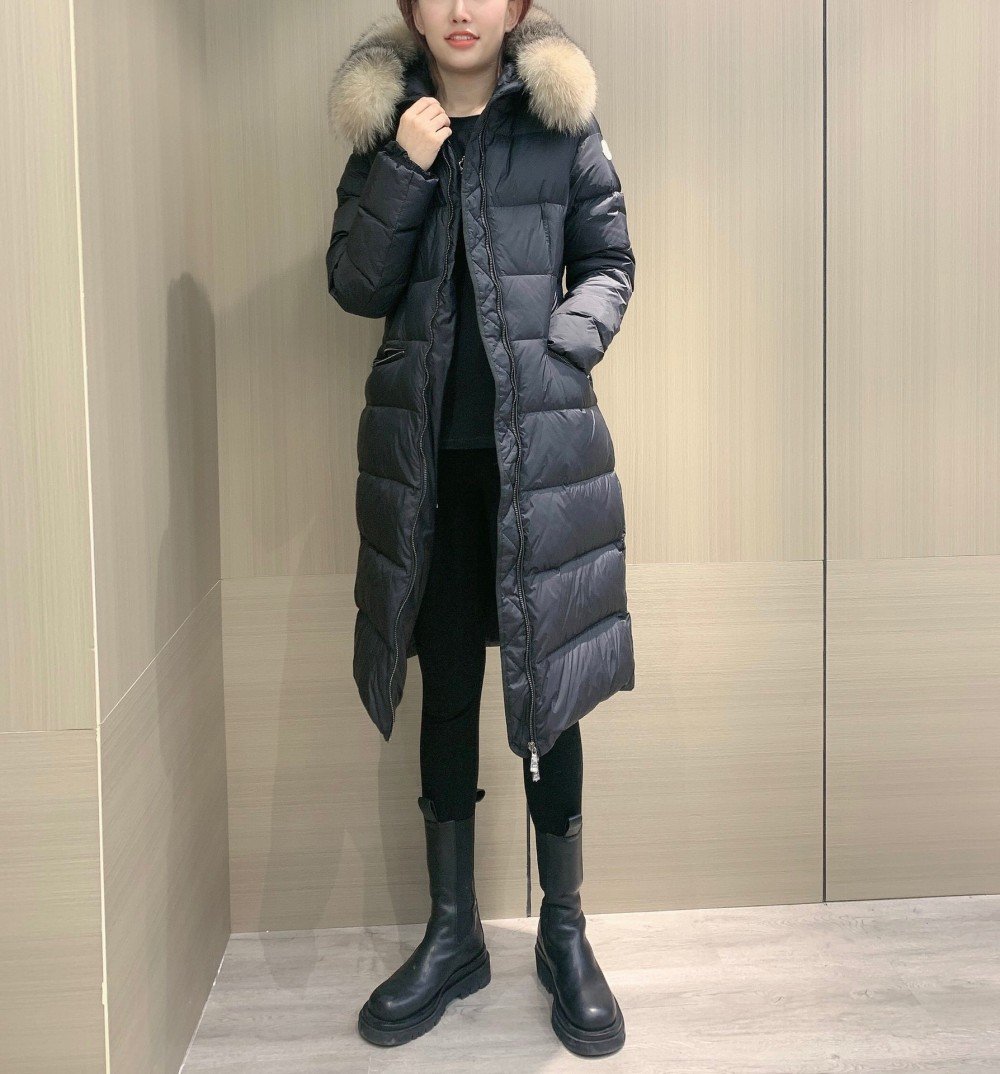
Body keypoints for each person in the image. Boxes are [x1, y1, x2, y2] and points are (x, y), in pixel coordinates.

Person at [326, 0, 635, 1057]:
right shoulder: (387, 127)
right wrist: (405, 169)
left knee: (552, 695)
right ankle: (453, 932)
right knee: (449, 682)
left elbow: (610, 263)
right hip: (430, 472)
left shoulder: (559, 120)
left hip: (539, 460)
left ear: (516, 7)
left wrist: (563, 347)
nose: (463, 10)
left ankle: (564, 929)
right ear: (413, 10)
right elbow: (354, 282)